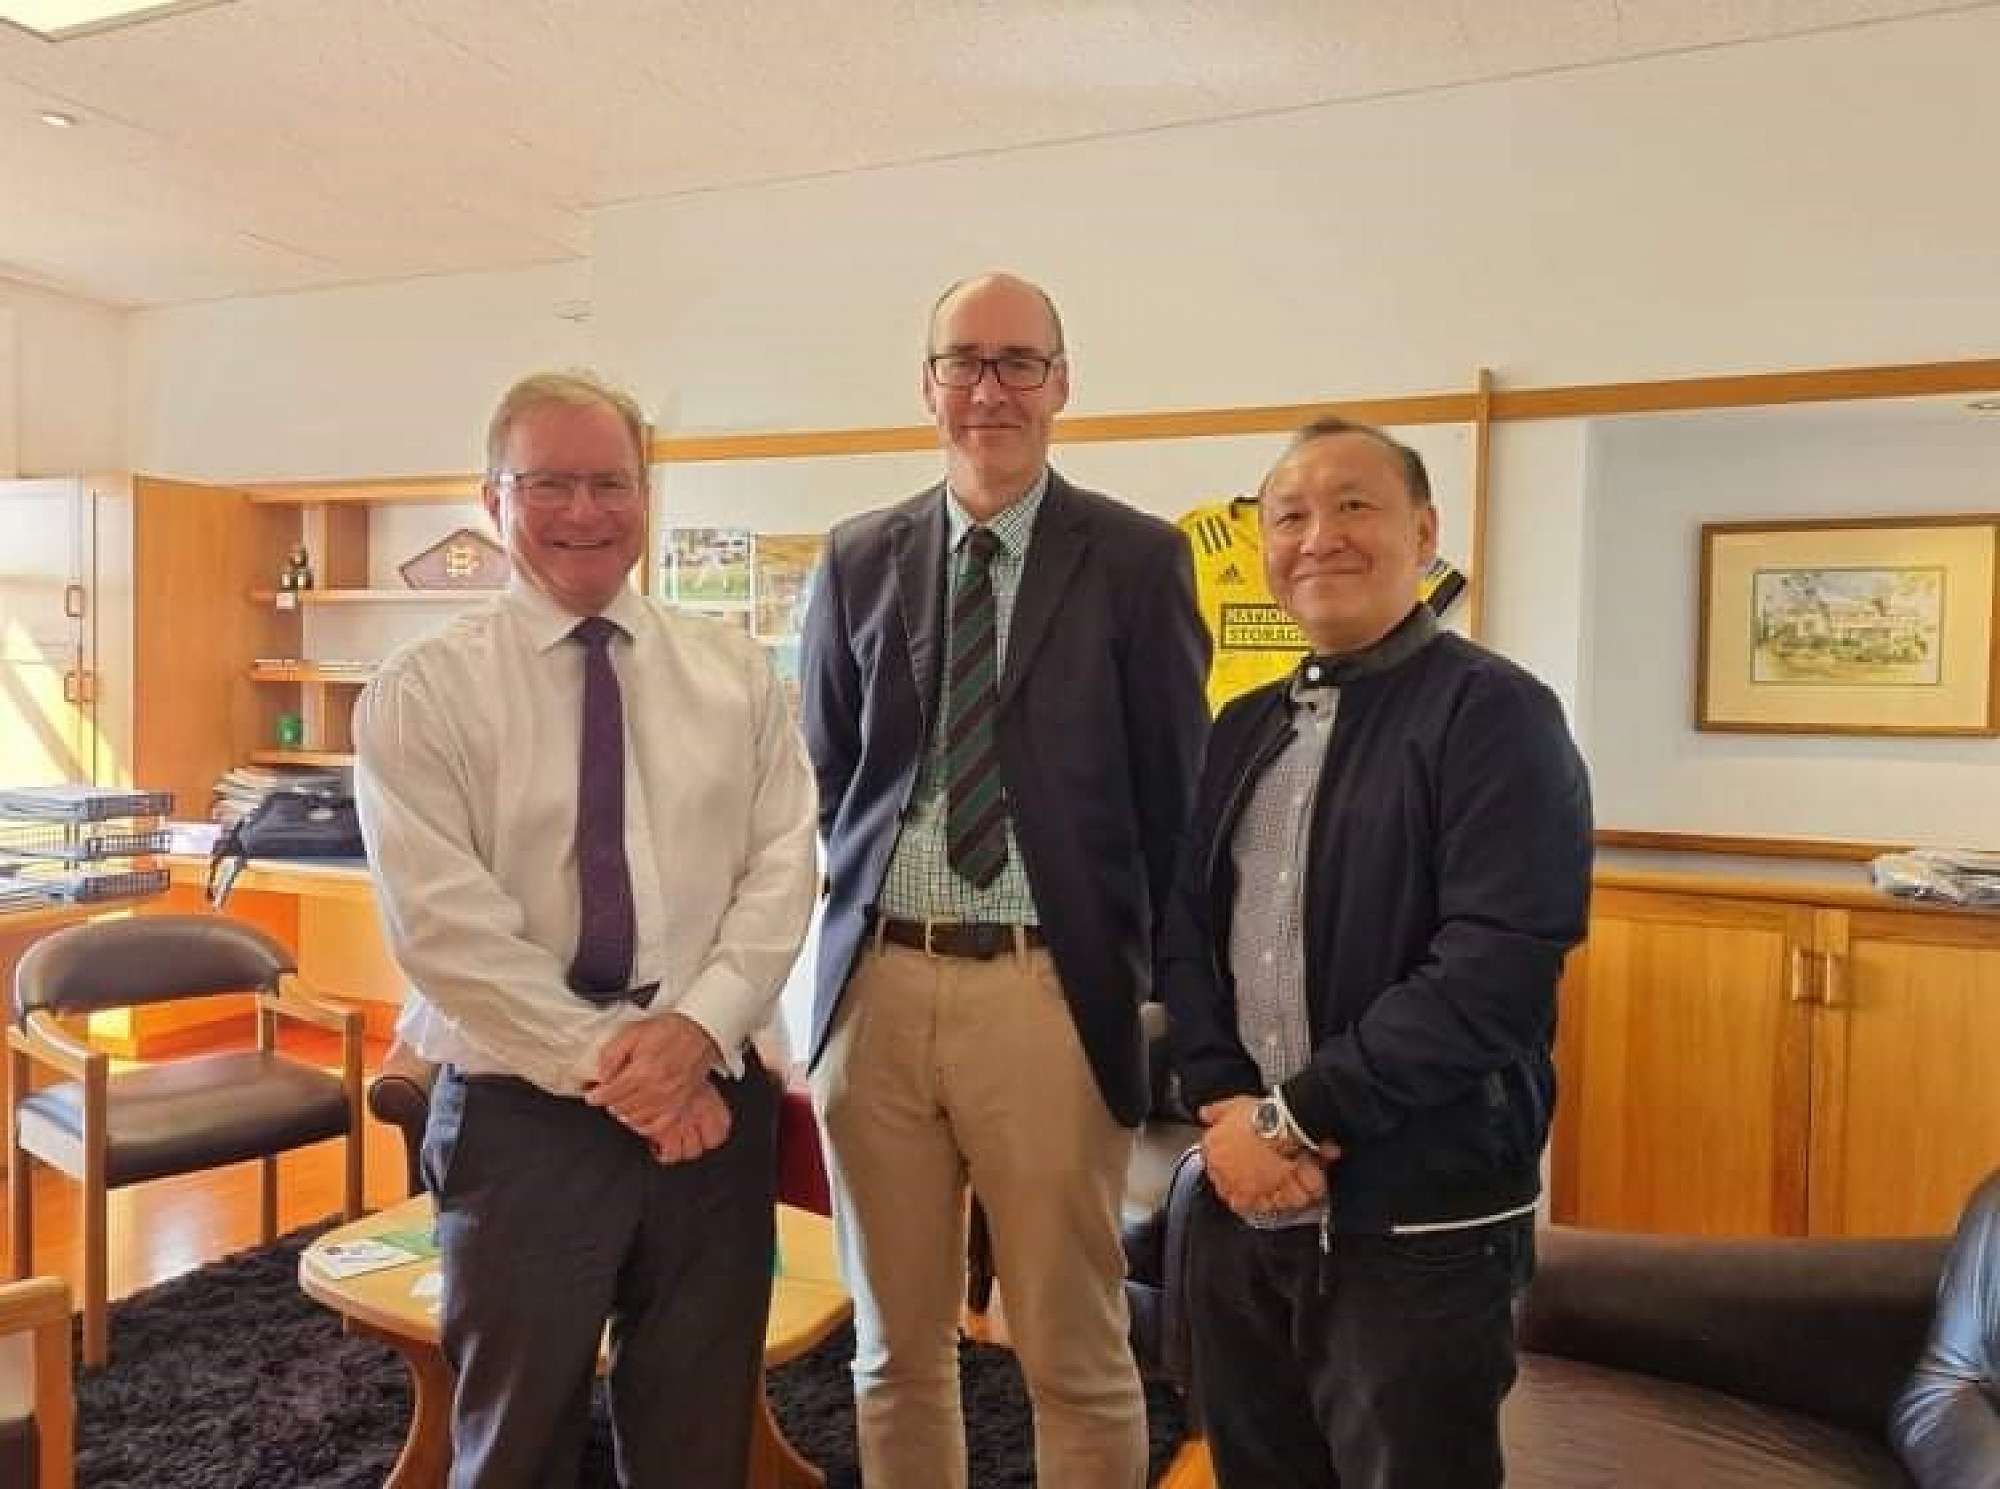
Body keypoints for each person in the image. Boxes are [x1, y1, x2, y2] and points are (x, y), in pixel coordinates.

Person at [353, 371, 818, 1489]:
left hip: (714, 1110)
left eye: (610, 482)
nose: (583, 511)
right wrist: (628, 1071)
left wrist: (695, 1034)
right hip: (523, 1117)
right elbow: (445, 930)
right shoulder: (422, 692)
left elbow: (783, 867)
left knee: (698, 1437)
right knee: (514, 1440)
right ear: (492, 498)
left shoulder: (734, 673)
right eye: (547, 484)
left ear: (645, 494)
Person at [799, 271, 1210, 1489]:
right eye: (963, 362)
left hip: (1048, 996)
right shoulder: (856, 556)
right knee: (892, 1351)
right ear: (926, 386)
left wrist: (1183, 1011)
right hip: (874, 994)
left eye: (1017, 362)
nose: (990, 388)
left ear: (1060, 384)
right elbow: (831, 776)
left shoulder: (1134, 559)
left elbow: (1176, 807)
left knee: (1070, 1351)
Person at [1162, 417, 1593, 1489]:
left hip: (1417, 1218)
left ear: (1423, 531)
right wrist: (1227, 1103)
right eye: (1289, 516)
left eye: (1353, 505)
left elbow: (1493, 975)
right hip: (1245, 1206)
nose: (1319, 537)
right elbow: (1185, 934)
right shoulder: (1242, 724)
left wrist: (1293, 1116)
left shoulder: (1497, 714)